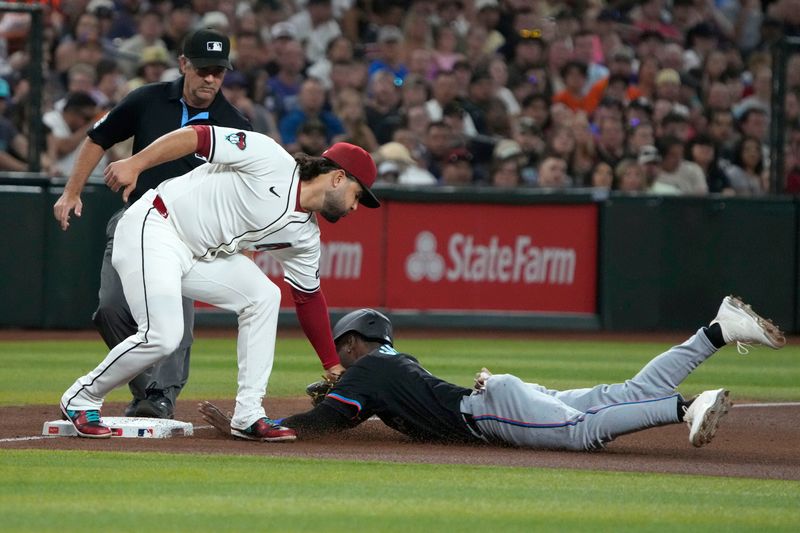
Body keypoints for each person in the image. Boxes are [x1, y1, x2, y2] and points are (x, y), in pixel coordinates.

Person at [59, 125, 381, 441]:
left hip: (198, 255)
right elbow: (196, 136)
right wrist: (136, 163)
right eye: (357, 195)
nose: (356, 206)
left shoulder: (306, 236)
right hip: (156, 226)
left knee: (264, 295)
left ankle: (248, 414)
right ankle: (82, 397)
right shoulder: (270, 158)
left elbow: (308, 299)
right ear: (338, 178)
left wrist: (332, 365)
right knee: (163, 335)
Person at [201, 297, 785, 450]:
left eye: (339, 345)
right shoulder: (384, 368)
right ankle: (717, 330)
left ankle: (684, 407)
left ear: (353, 342)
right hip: (505, 397)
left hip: (490, 412)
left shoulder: (367, 372)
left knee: (582, 431)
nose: (335, 355)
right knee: (624, 393)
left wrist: (253, 425)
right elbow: (357, 403)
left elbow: (325, 423)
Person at [52, 28, 253, 420]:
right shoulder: (147, 99)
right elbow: (98, 137)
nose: (210, 78)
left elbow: (242, 188)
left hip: (190, 236)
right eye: (203, 69)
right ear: (183, 65)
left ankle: (160, 395)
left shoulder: (234, 123)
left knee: (172, 322)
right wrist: (71, 191)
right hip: (135, 221)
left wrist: (237, 238)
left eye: (218, 70)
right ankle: (147, 388)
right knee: (110, 310)